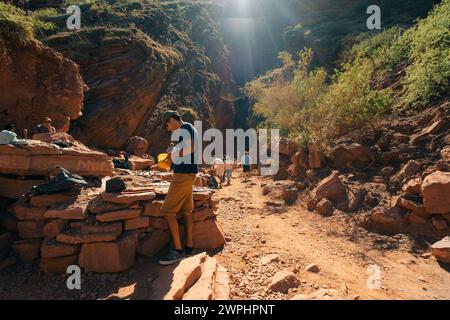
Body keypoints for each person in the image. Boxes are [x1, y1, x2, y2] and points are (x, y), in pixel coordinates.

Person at [158, 110, 200, 266]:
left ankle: (178, 251)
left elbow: (192, 148)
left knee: (168, 211)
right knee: (186, 211)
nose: (168, 129)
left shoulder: (185, 128)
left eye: (167, 125)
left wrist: (174, 155)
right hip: (189, 174)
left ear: (171, 120)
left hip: (183, 175)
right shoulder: (187, 129)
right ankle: (189, 247)